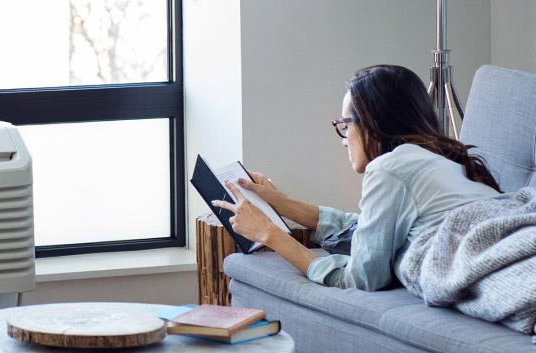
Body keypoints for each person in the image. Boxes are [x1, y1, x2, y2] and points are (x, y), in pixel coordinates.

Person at [213, 64, 501, 291]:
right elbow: (369, 232)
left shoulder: (389, 168)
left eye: (345, 125)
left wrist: (270, 234)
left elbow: (361, 279)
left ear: (374, 123)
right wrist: (281, 203)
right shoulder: (442, 161)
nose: (343, 139)